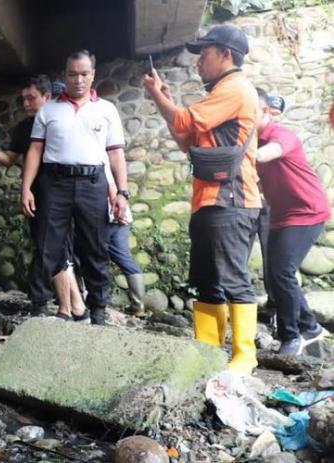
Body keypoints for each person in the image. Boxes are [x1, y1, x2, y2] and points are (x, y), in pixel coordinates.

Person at [143, 24, 261, 374]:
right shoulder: (220, 93)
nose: (198, 62)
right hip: (210, 202)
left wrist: (156, 94)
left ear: (225, 54)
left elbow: (182, 119)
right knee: (208, 280)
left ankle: (244, 355)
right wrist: (161, 95)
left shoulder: (235, 88)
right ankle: (209, 351)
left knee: (234, 279)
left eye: (204, 54)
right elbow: (184, 136)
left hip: (231, 200)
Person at [21, 50, 129, 326]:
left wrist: (121, 192)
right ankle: (39, 306)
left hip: (93, 182)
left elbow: (115, 154)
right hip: (54, 182)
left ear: (93, 74)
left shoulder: (106, 110)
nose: (78, 79)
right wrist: (27, 188)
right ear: (64, 76)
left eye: (84, 73)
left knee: (95, 246)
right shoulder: (48, 110)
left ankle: (99, 309)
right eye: (72, 74)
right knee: (47, 244)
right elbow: (35, 150)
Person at [0, 75, 66, 316]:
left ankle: (70, 303)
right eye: (23, 99)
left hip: (67, 192)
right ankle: (43, 302)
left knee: (66, 249)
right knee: (43, 246)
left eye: (31, 98)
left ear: (47, 97)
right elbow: (9, 159)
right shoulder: (23, 128)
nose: (25, 103)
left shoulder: (63, 120)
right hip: (38, 194)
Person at [254, 88, 331, 355]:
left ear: (265, 111)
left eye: (248, 111)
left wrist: (239, 155)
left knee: (282, 271)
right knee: (276, 275)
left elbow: (269, 154)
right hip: (281, 215)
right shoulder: (252, 141)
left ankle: (292, 337)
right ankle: (310, 327)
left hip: (308, 211)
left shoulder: (280, 134)